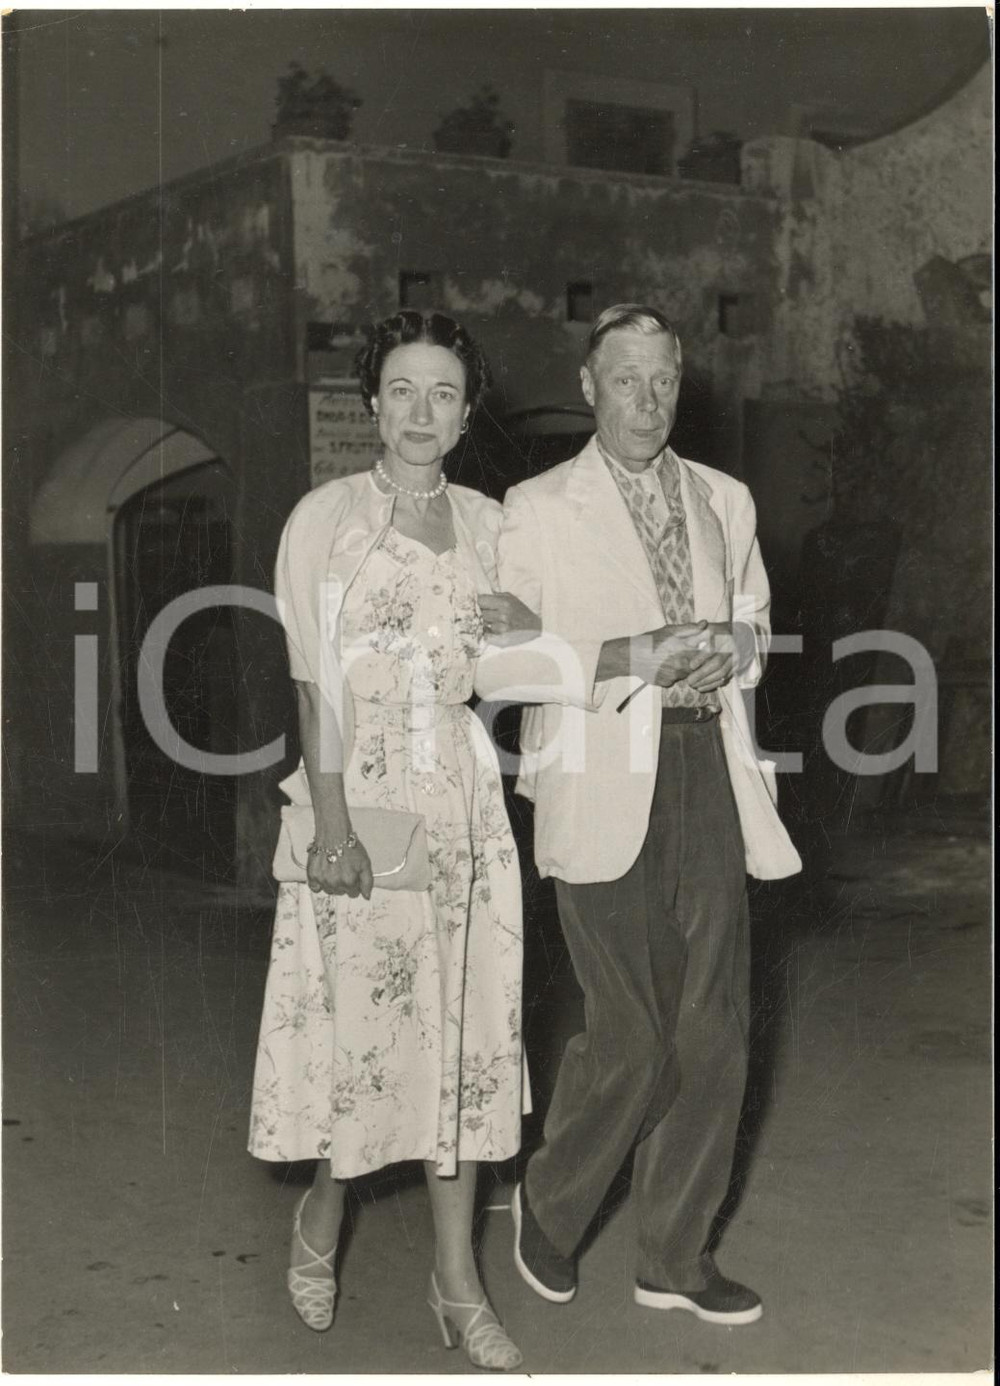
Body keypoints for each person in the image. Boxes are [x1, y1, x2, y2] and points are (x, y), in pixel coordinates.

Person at [475, 303, 802, 1325]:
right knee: (632, 1035)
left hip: (709, 765)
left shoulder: (723, 500)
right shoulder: (531, 509)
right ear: (588, 386)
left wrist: (726, 652)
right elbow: (497, 660)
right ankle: (549, 1202)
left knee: (714, 1031)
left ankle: (674, 1255)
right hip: (596, 768)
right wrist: (631, 654)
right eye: (626, 379)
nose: (647, 400)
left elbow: (754, 627)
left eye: (663, 381)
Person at [248, 310, 539, 1370]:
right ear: (371, 402)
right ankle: (325, 1213)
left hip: (461, 799)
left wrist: (555, 640)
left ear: (467, 417)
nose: (422, 412)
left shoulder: (494, 524)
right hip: (358, 796)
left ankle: (457, 1286)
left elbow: (529, 661)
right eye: (403, 390)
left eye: (445, 395)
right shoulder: (323, 519)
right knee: (366, 1038)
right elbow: (313, 683)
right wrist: (330, 822)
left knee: (456, 1042)